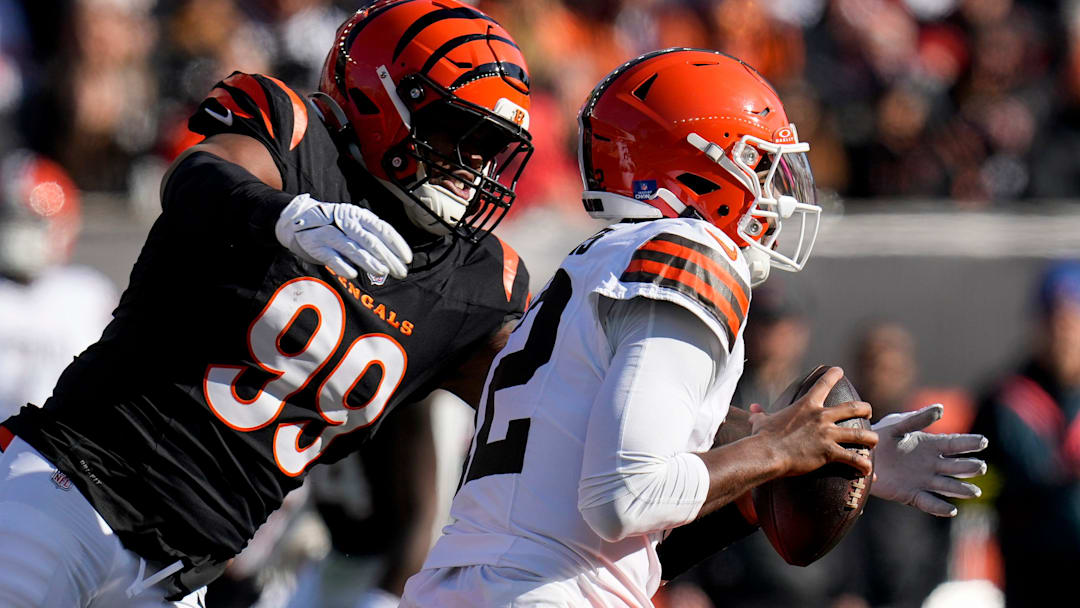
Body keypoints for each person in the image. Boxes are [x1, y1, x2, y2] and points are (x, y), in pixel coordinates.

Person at [401, 48, 988, 607]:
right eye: (759, 162)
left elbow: (620, 533)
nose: (775, 191)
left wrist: (824, 456)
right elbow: (626, 498)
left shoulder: (597, 263)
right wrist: (777, 450)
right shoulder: (688, 252)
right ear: (699, 164)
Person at [0, 1, 536, 605]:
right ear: (380, 99)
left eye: (492, 145)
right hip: (69, 493)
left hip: (181, 577)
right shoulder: (294, 137)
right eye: (456, 130)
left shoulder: (475, 283)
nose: (475, 164)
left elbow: (542, 415)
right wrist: (285, 216)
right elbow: (198, 177)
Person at [973, 260, 1080, 607]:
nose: (1062, 331)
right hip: (1031, 579)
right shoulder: (1006, 401)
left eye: (1071, 319)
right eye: (1053, 318)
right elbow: (971, 486)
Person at [0, 149, 116, 423]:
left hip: (63, 448)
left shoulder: (89, 295)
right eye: (9, 220)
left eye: (31, 222)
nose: (18, 234)